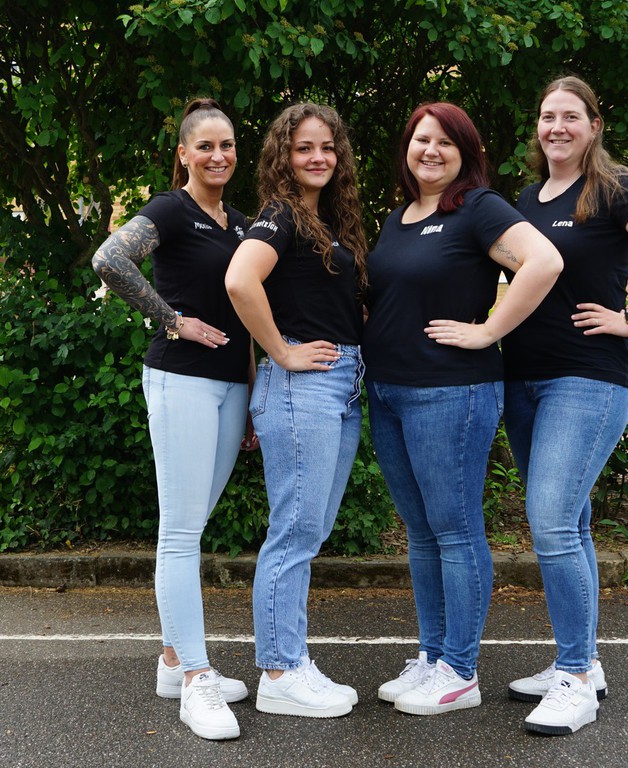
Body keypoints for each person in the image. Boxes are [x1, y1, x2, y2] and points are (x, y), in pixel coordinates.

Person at [431, 76, 628, 735]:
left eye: (570, 116)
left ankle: (576, 679)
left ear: (594, 125)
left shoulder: (614, 188)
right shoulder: (528, 199)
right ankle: (580, 662)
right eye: (548, 116)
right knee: (570, 525)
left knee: (551, 521)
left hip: (588, 378)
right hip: (525, 378)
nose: (557, 126)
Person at [362, 102, 563, 716]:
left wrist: (489, 330)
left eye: (446, 142)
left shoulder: (477, 207)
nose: (431, 150)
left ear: (466, 153)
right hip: (390, 393)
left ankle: (460, 669)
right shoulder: (398, 217)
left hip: (451, 392)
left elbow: (545, 261)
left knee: (454, 528)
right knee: (421, 531)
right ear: (407, 147)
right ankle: (432, 656)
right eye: (421, 139)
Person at [92, 98, 256, 741]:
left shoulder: (240, 224)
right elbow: (110, 259)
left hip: (230, 387)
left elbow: (247, 311)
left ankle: (170, 661)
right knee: (182, 531)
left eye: (227, 144)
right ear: (184, 153)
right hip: (181, 379)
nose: (218, 155)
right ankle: (195, 678)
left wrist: (251, 396)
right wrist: (171, 319)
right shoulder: (170, 209)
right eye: (205, 146)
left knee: (194, 523)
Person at [225, 103, 368, 718]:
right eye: (304, 147)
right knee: (294, 532)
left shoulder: (327, 220)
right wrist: (281, 352)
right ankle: (280, 671)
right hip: (301, 386)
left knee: (309, 531)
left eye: (327, 147)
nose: (318, 157)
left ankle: (291, 660)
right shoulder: (280, 215)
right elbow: (240, 280)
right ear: (283, 155)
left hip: (341, 385)